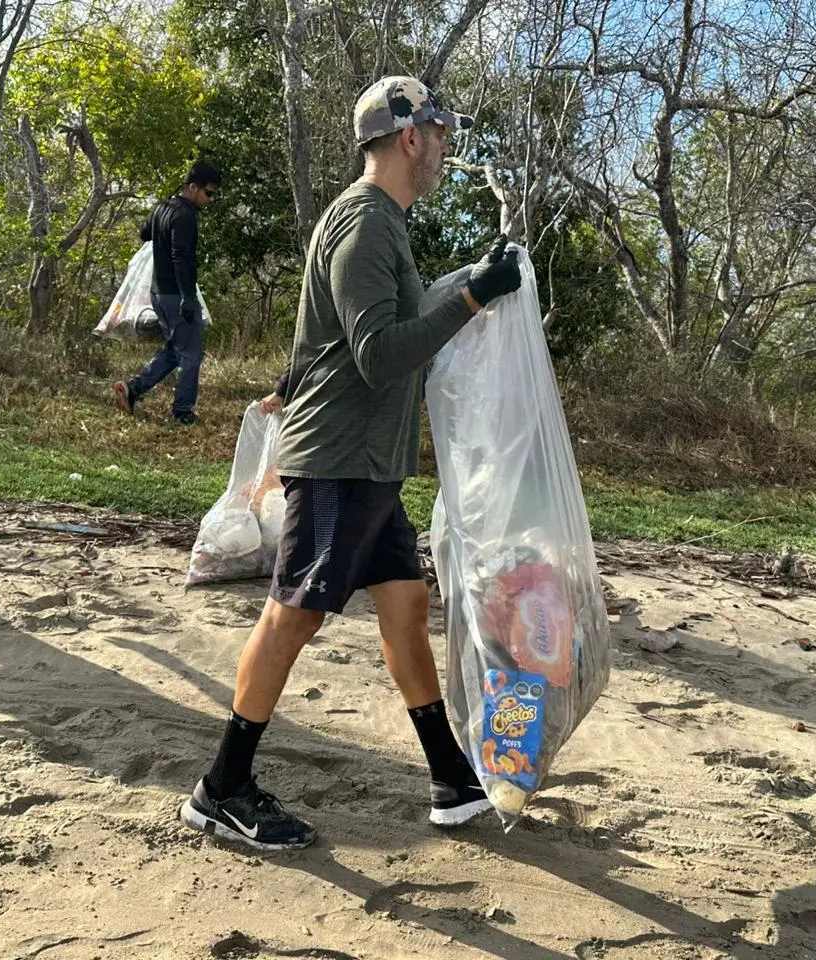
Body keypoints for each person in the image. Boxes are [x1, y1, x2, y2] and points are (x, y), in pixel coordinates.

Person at [180, 76, 522, 851]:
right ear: (410, 138)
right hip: (339, 460)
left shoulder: (382, 222)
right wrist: (472, 300)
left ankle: (451, 780)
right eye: (439, 136)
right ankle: (221, 788)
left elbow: (341, 331)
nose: (444, 151)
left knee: (404, 604)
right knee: (294, 614)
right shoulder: (366, 222)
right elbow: (378, 353)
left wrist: (470, 285)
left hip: (368, 465)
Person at [112, 160, 221, 426]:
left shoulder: (163, 208)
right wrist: (188, 297)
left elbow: (144, 233)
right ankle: (182, 413)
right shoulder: (185, 216)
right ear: (192, 188)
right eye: (208, 193)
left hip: (158, 293)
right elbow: (180, 257)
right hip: (176, 295)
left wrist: (161, 226)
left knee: (175, 350)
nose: (210, 199)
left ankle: (133, 389)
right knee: (192, 354)